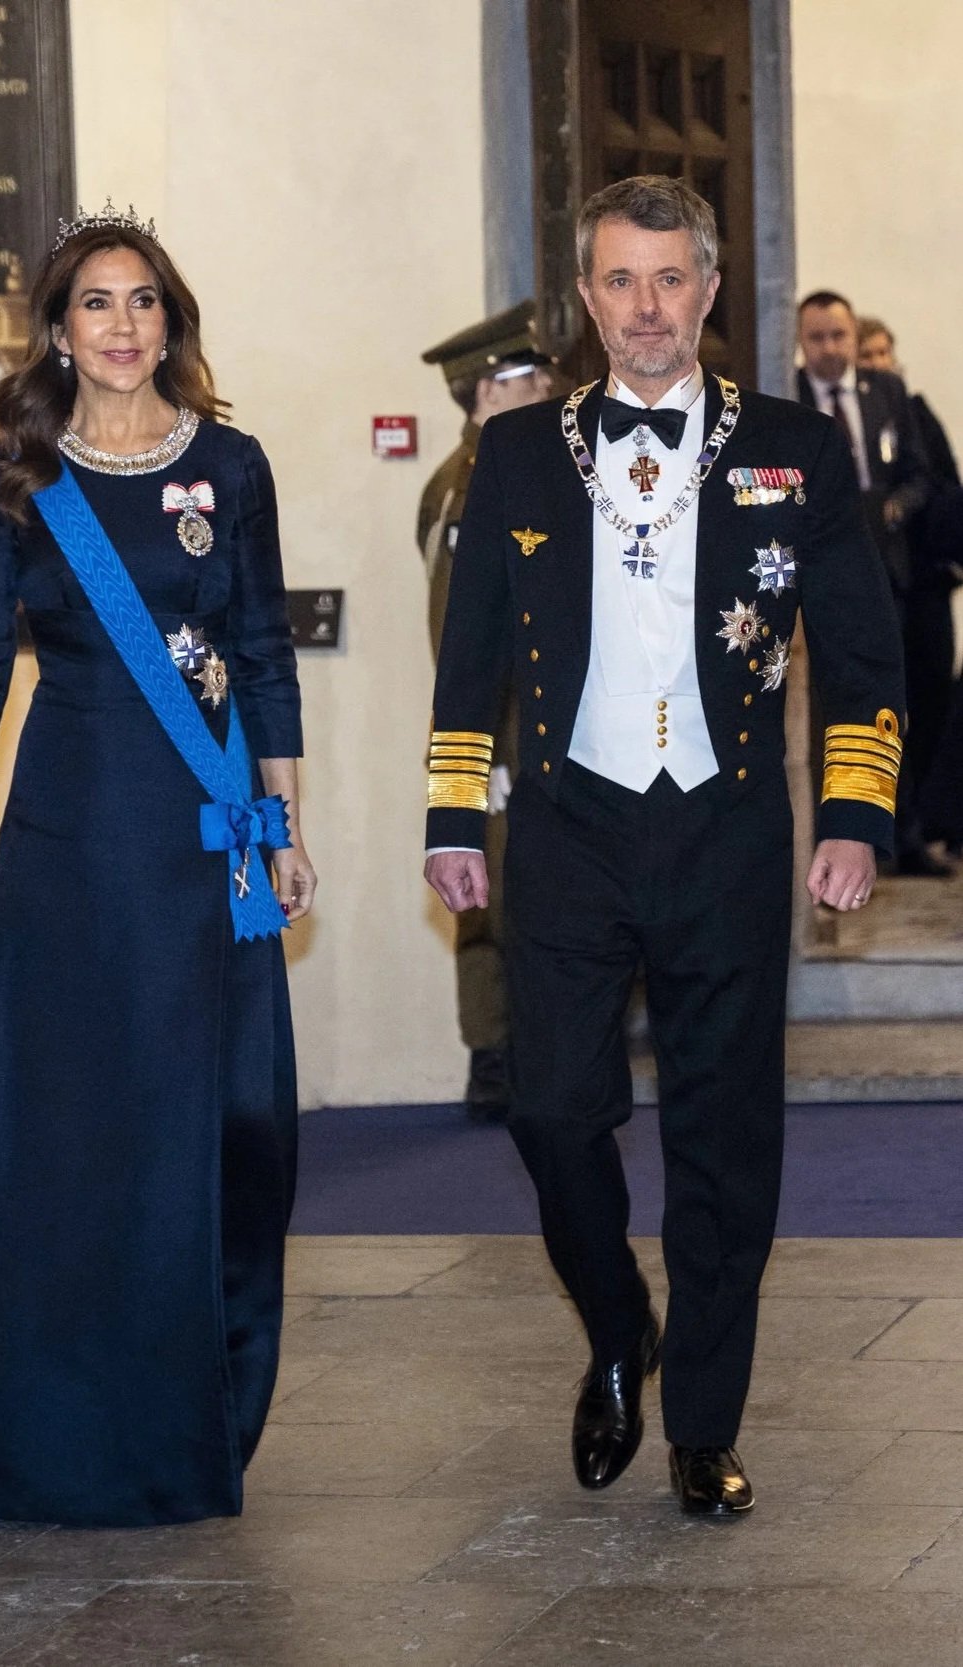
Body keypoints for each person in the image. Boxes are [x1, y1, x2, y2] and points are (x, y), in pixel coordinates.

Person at [425, 176, 904, 1517]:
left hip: (725, 825)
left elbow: (862, 652)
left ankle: (700, 1419)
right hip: (566, 826)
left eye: (670, 278)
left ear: (709, 288)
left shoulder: (794, 449)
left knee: (722, 1135)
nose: (646, 307)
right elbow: (468, 659)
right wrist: (452, 816)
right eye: (620, 280)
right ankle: (615, 1320)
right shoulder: (517, 454)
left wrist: (854, 816)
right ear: (587, 297)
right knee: (548, 1108)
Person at [0, 200, 315, 1527]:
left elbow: (262, 649)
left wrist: (287, 823)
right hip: (69, 839)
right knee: (70, 1136)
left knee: (214, 1131)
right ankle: (44, 1436)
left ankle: (183, 1424)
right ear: (58, 329)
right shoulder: (16, 478)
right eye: (97, 302)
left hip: (203, 840)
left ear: (169, 321)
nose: (123, 324)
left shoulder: (232, 465)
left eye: (144, 300)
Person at [418, 302, 554, 1118]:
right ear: (487, 392)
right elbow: (459, 637)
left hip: (527, 733)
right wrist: (486, 753)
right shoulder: (470, 488)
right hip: (498, 738)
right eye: (529, 378)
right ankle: (497, 1060)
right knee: (492, 904)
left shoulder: (507, 472)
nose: (546, 388)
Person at [797, 291, 943, 875]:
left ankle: (897, 834)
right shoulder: (787, 398)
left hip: (890, 571)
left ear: (854, 337)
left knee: (892, 708)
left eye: (839, 336)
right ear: (800, 342)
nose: (829, 348)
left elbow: (920, 474)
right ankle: (832, 832)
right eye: (817, 338)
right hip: (817, 579)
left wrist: (892, 509)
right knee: (830, 710)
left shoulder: (886, 392)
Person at [857, 317, 963, 831]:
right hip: (886, 584)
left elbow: (944, 484)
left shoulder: (915, 412)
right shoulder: (855, 418)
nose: (879, 363)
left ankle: (927, 820)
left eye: (884, 353)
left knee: (934, 697)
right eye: (868, 355)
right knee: (886, 709)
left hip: (928, 581)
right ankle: (896, 825)